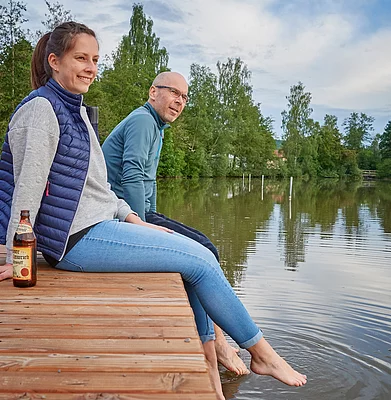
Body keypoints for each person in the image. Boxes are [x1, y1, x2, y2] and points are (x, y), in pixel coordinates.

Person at [0, 22, 307, 400]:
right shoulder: (42, 110)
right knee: (200, 259)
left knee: (193, 255)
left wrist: (132, 218)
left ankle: (220, 356)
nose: (91, 68)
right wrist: (16, 256)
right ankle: (262, 354)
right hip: (74, 240)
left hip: (100, 225)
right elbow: (26, 187)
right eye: (81, 58)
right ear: (54, 61)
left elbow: (99, 189)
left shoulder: (75, 113)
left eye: (95, 60)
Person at [102, 71, 249, 376]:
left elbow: (147, 180)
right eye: (174, 93)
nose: (180, 101)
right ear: (153, 91)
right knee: (201, 251)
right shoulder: (143, 121)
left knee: (205, 247)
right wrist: (142, 228)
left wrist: (152, 215)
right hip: (118, 213)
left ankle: (215, 336)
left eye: (184, 97)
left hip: (135, 210)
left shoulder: (157, 127)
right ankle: (216, 342)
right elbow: (130, 176)